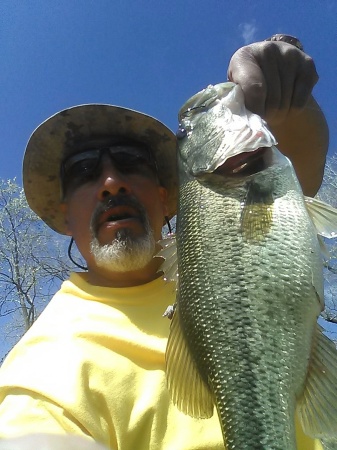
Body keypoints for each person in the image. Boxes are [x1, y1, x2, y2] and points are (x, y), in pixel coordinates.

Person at [0, 37, 329, 450]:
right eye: (83, 170)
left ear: (162, 194)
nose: (111, 182)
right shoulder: (40, 375)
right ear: (64, 215)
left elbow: (298, 170)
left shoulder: (211, 236)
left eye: (130, 161)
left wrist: (286, 97)